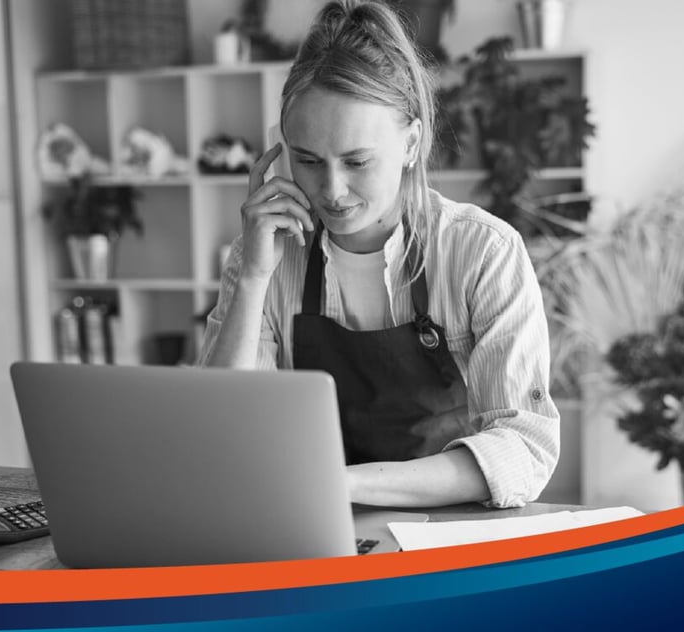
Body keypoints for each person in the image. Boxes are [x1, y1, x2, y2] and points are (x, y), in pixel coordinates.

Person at [198, 0, 559, 509]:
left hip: (449, 538)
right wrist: (255, 278)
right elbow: (219, 436)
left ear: (411, 143)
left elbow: (524, 449)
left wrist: (343, 485)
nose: (332, 190)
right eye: (307, 160)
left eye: (357, 161)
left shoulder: (482, 252)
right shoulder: (260, 258)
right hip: (307, 529)